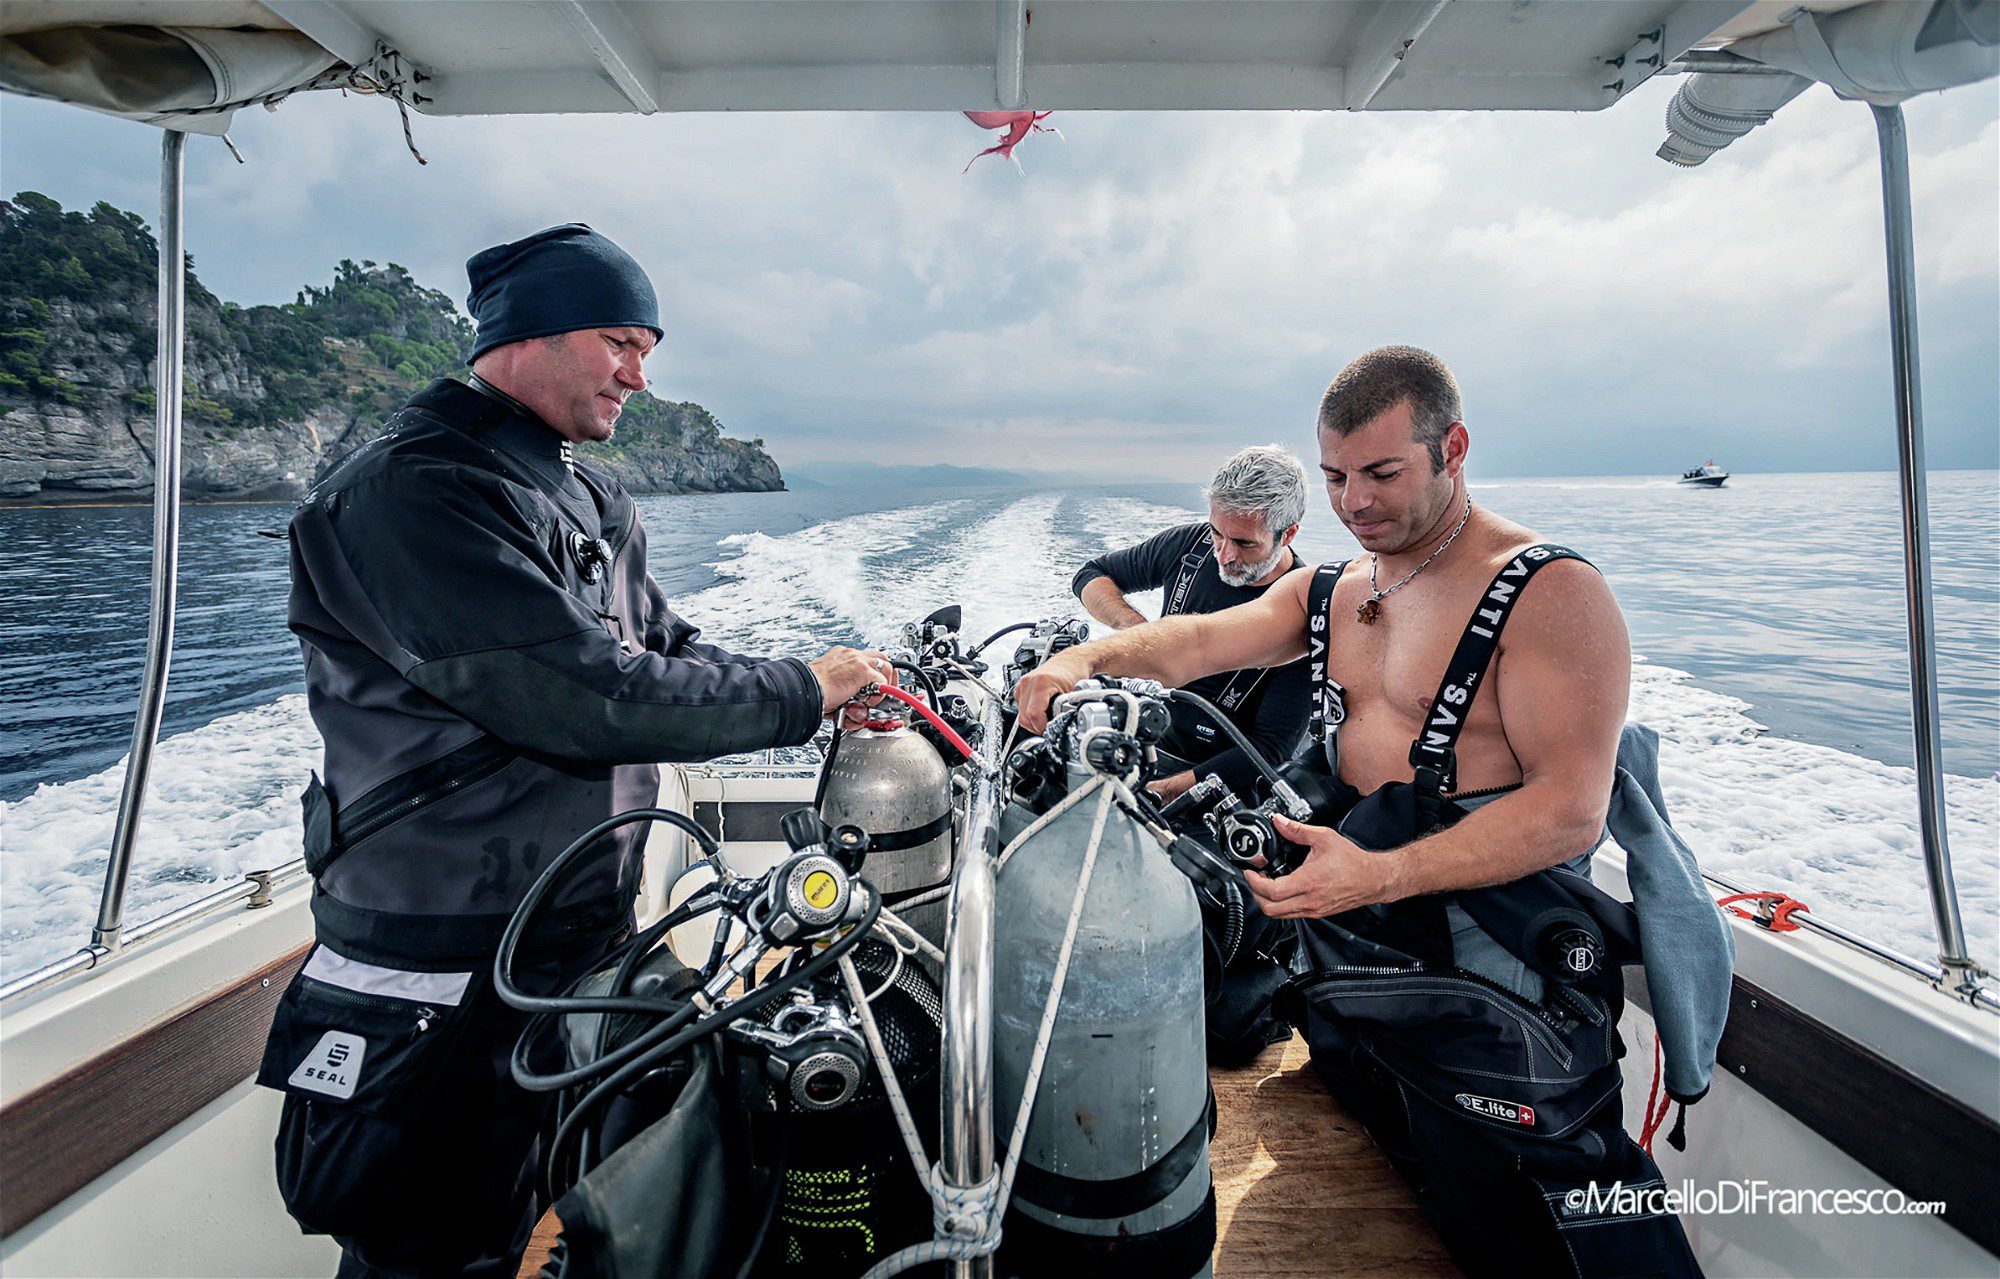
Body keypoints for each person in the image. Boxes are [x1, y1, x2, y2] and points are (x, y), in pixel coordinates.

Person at [259, 223, 893, 1279]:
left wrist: (825, 696)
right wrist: (799, 690)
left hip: (579, 935)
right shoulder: (409, 492)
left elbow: (663, 652)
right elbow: (582, 696)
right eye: (620, 343)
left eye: (646, 350)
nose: (639, 377)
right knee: (431, 1243)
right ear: (530, 334)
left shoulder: (586, 494)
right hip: (441, 959)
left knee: (562, 1207)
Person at [1017, 346, 1705, 1278]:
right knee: (1386, 1136)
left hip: (1486, 960)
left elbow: (1569, 812)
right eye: (1337, 477)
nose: (1354, 502)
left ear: (1452, 448)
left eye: (1382, 472)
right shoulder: (1333, 591)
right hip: (1356, 942)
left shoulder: (1549, 593)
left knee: (1532, 1219)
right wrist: (1082, 662)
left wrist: (1380, 872)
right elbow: (1195, 643)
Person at [1071, 444, 1313, 804]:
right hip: (1146, 733)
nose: (1224, 555)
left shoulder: (1304, 613)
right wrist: (1138, 632)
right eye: (1217, 533)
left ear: (1287, 534)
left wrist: (1162, 792)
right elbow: (1091, 575)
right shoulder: (1190, 545)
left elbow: (1270, 748)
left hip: (1215, 777)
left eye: (1244, 543)